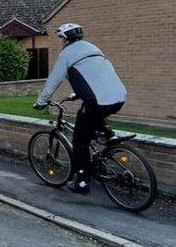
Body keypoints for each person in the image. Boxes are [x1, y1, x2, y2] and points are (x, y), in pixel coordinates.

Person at [34, 23, 127, 194]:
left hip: (97, 101)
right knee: (95, 114)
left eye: (61, 38)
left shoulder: (67, 54)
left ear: (66, 39)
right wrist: (78, 93)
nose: (61, 42)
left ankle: (82, 182)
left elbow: (54, 80)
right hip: (119, 97)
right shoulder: (93, 48)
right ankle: (109, 136)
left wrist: (41, 101)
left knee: (79, 141)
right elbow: (96, 76)